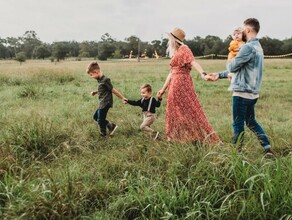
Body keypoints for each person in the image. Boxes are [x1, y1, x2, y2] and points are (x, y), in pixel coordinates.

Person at [206, 18, 275, 156]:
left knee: (238, 124)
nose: (241, 32)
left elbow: (232, 66)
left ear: (248, 30)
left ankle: (236, 155)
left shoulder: (247, 47)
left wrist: (231, 56)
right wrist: (219, 75)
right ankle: (267, 148)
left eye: (243, 29)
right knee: (250, 122)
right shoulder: (258, 47)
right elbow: (241, 70)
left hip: (242, 93)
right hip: (253, 93)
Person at [157, 27, 220, 144]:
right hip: (174, 82)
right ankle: (177, 137)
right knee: (174, 110)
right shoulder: (176, 52)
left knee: (188, 109)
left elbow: (193, 62)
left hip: (181, 82)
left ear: (174, 40)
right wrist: (163, 89)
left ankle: (193, 136)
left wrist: (203, 74)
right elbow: (171, 72)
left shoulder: (184, 49)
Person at [86, 61, 125, 137]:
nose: (91, 77)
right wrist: (96, 92)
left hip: (105, 102)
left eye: (91, 75)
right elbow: (104, 89)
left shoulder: (105, 80)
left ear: (96, 72)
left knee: (100, 119)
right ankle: (110, 126)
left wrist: (122, 98)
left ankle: (103, 134)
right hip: (102, 102)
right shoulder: (100, 80)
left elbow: (113, 90)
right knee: (96, 117)